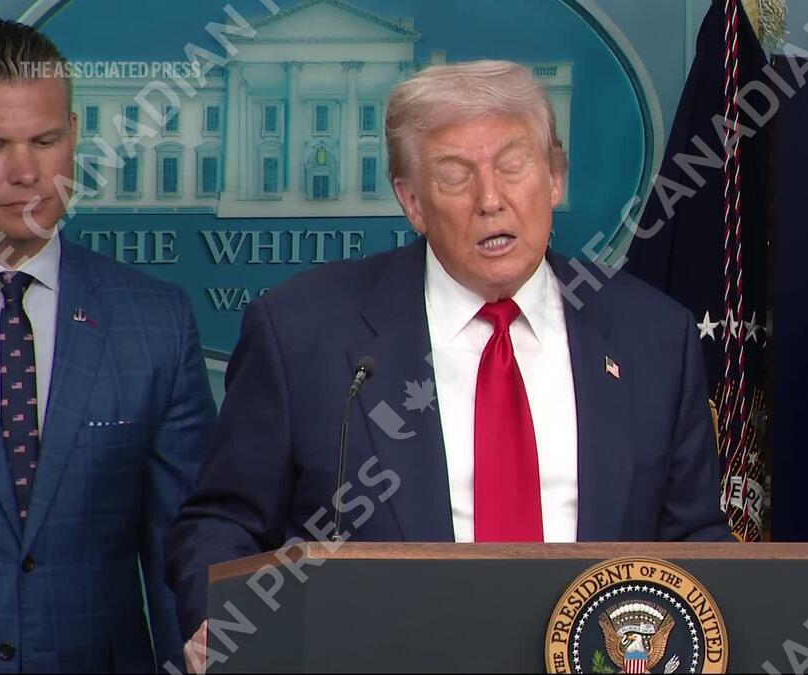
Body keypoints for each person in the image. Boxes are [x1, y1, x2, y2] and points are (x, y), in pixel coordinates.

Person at [166, 60, 730, 670]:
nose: (491, 200)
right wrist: (221, 618)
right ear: (413, 202)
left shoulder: (653, 337)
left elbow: (692, 540)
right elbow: (223, 521)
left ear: (555, 178)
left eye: (513, 165)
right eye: (456, 176)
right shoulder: (302, 334)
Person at [0, 18, 215, 671]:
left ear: (73, 134)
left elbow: (184, 549)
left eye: (45, 141)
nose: (26, 173)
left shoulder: (155, 320)